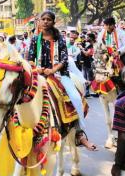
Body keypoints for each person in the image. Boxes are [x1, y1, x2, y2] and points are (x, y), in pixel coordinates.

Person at [28, 11, 96, 150]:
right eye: (43, 19)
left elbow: (64, 59)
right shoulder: (35, 39)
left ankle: (79, 133)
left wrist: (52, 70)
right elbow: (30, 58)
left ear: (53, 22)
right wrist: (37, 68)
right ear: (39, 22)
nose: (45, 21)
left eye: (48, 19)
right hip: (39, 74)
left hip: (59, 74)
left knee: (75, 98)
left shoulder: (59, 39)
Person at [79, 33, 96, 97]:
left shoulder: (93, 45)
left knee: (90, 78)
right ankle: (87, 92)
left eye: (87, 37)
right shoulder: (88, 45)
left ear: (91, 38)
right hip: (85, 64)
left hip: (90, 64)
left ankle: (92, 91)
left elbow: (87, 54)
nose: (86, 38)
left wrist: (81, 48)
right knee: (85, 78)